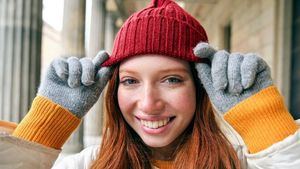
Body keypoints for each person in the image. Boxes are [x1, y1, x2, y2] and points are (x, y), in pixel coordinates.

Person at [0, 0, 300, 168]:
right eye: (130, 81)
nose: (148, 103)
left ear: (201, 87)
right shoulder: (87, 166)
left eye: (171, 80)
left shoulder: (239, 165)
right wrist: (46, 125)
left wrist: (266, 120)